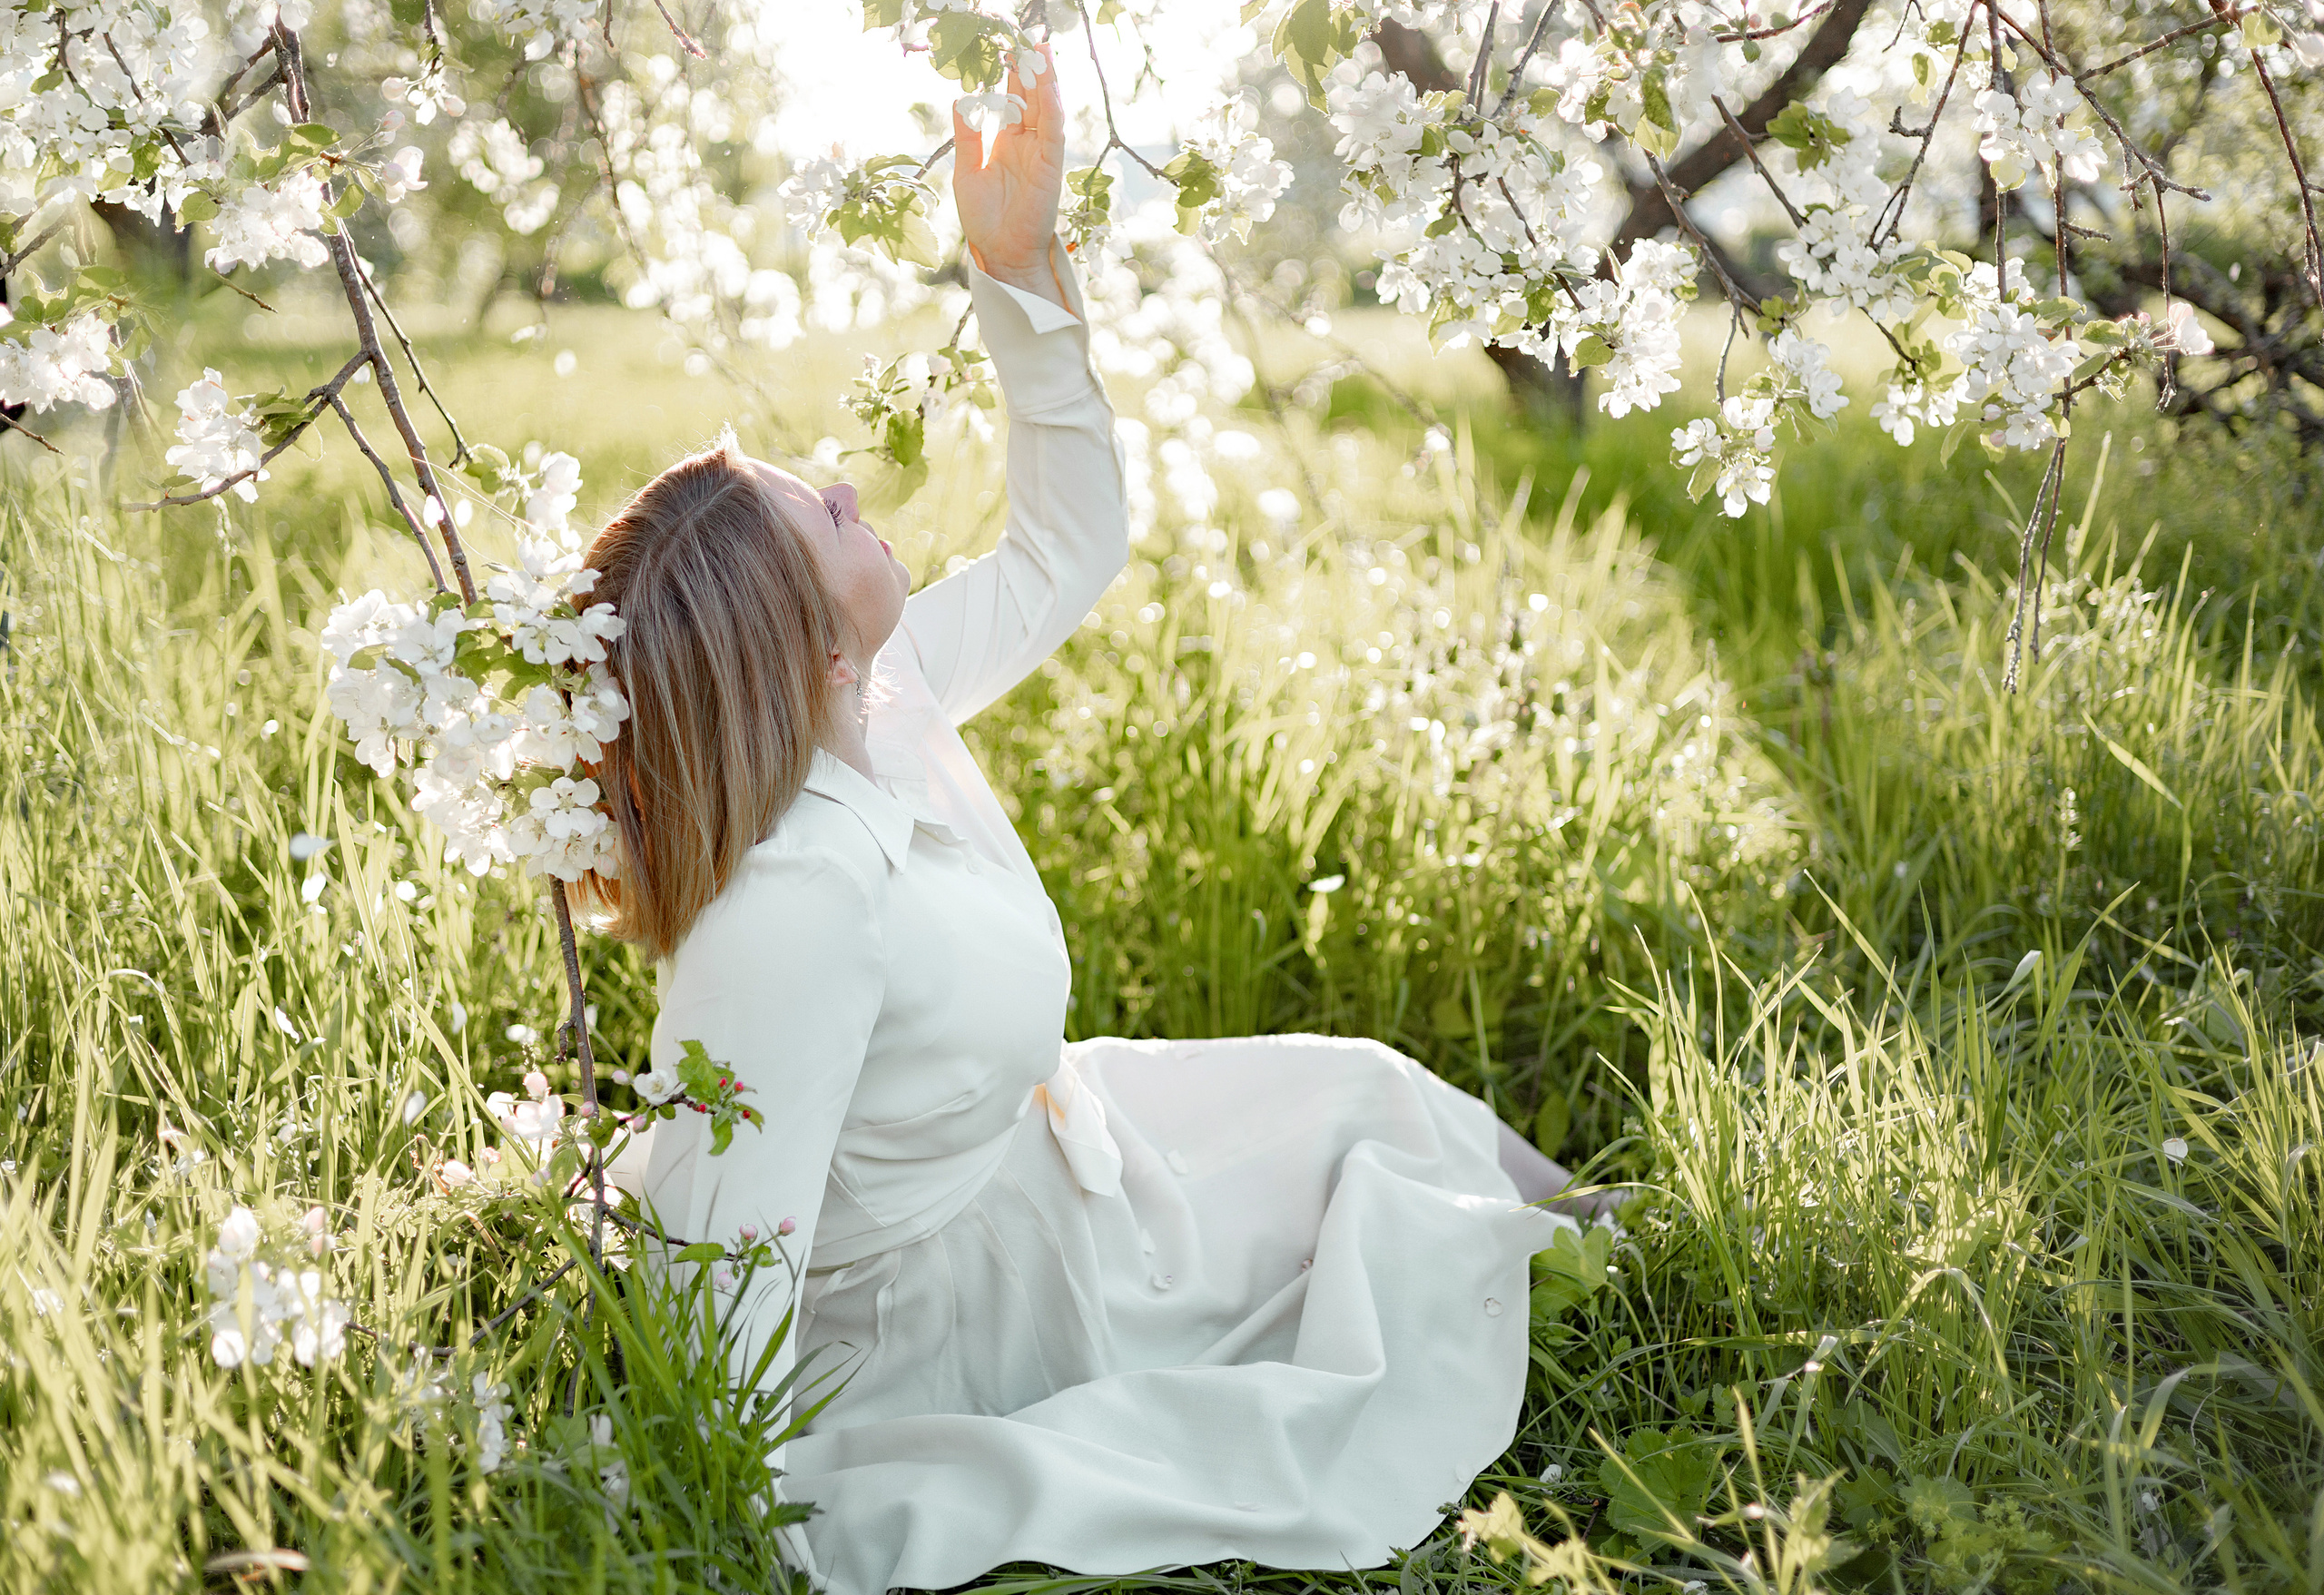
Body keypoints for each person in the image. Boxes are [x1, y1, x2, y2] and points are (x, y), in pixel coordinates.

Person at [585, 44, 1608, 1595]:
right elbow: (712, 1294)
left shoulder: (878, 696)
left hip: (1070, 1156)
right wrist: (720, 1500)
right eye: (823, 511)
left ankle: (1642, 1250)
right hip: (986, 1304)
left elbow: (1070, 544)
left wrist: (1018, 270)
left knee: (1361, 1094)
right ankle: (1634, 1281)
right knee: (1374, 1223)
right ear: (789, 635)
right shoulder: (788, 908)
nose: (854, 488)